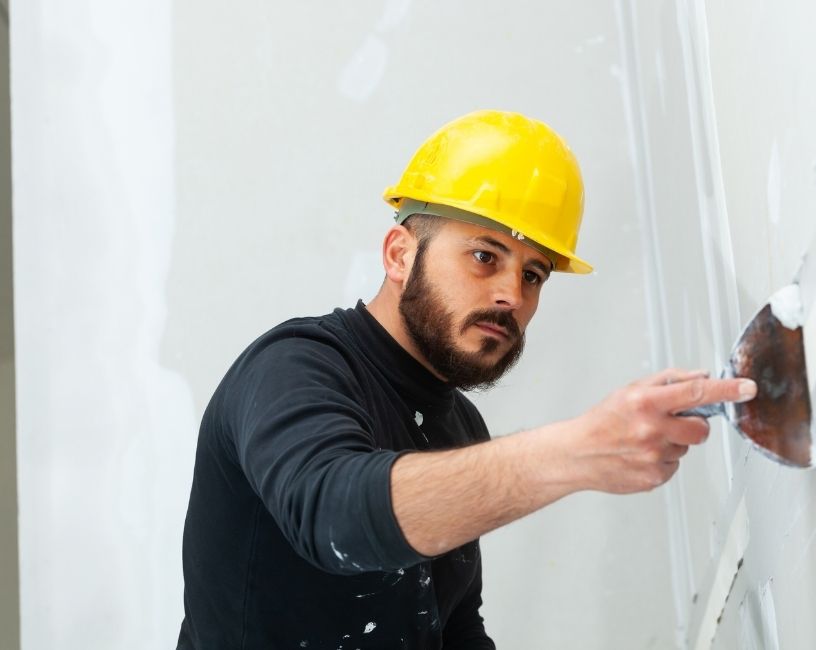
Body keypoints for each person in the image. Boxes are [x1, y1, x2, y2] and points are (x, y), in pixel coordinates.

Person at [176, 110, 756, 649]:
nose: (512, 295)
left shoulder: (460, 427)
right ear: (400, 255)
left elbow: (450, 625)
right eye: (485, 256)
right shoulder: (293, 366)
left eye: (533, 275)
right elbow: (334, 516)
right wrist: (578, 451)